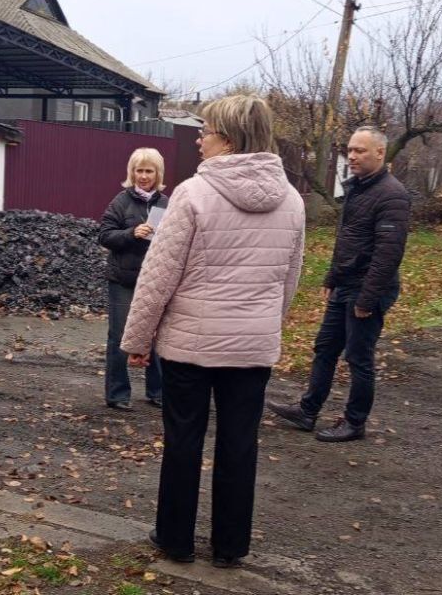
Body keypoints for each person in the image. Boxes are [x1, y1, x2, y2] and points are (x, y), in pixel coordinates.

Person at [120, 94, 305, 568]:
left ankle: (176, 541)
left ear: (228, 139)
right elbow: (289, 280)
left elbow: (159, 277)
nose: (199, 139)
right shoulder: (292, 200)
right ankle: (230, 547)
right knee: (240, 445)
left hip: (190, 347)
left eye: (206, 131)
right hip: (252, 348)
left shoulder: (192, 194)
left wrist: (137, 341)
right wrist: (262, 325)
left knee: (183, 441)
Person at [267, 126, 410, 442]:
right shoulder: (358, 188)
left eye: (360, 150)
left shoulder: (392, 194)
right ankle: (307, 411)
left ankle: (355, 423)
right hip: (345, 284)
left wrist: (367, 299)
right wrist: (332, 277)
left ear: (380, 153)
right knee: (325, 348)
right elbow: (347, 239)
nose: (353, 156)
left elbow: (388, 254)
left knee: (358, 357)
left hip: (368, 289)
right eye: (351, 150)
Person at [98, 148, 169, 410]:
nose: (143, 176)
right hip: (123, 279)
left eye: (149, 171)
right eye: (139, 170)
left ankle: (159, 392)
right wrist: (131, 233)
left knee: (158, 337)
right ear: (132, 172)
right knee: (119, 336)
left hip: (157, 280)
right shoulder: (120, 202)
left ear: (157, 173)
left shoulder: (167, 203)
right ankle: (117, 394)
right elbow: (104, 235)